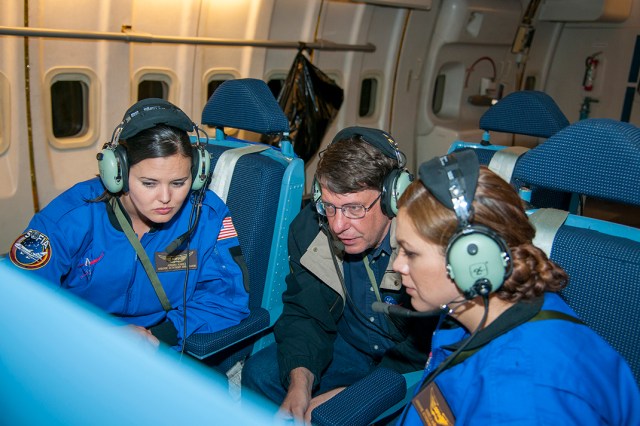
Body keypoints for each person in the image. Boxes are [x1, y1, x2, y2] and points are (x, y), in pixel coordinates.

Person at [392, 150, 640, 425]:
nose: (397, 265)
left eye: (410, 253)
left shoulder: (522, 401)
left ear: (473, 260)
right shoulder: (478, 313)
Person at [8, 98, 250, 352]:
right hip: (72, 341)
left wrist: (160, 335)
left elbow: (227, 299)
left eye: (179, 183)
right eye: (149, 183)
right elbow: (18, 299)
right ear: (117, 173)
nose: (166, 198)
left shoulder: (207, 215)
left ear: (198, 175)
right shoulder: (72, 215)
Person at [242, 126, 437, 423]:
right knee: (261, 374)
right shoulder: (311, 229)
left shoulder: (425, 243)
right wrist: (301, 382)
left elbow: (427, 346)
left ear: (391, 198)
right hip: (348, 344)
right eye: (330, 207)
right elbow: (306, 312)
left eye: (353, 208)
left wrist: (353, 395)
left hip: (407, 359)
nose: (337, 226)